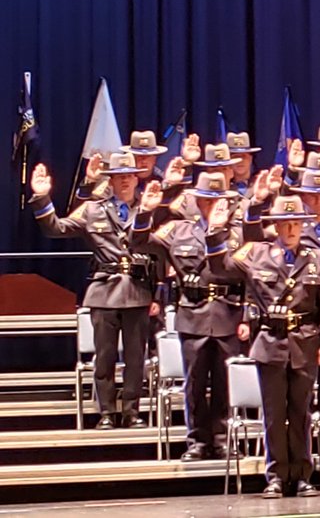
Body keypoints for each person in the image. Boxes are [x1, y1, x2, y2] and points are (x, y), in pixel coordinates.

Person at [206, 194, 320, 497]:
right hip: (270, 342)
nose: (291, 229)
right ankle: (276, 475)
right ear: (275, 226)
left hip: (304, 341)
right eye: (285, 224)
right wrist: (215, 232)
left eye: (296, 224)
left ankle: (302, 475)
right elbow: (219, 267)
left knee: (301, 412)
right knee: (275, 413)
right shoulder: (256, 253)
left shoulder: (315, 258)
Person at [29, 154, 154, 430]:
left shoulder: (148, 209)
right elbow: (56, 228)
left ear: (136, 178)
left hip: (137, 290)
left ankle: (132, 411)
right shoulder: (92, 210)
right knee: (105, 355)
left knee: (135, 357)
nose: (125, 179)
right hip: (104, 290)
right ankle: (107, 411)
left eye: (129, 174)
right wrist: (42, 198)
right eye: (119, 175)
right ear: (109, 179)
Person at [132, 172, 249, 459]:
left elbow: (251, 279)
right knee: (194, 382)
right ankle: (197, 440)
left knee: (224, 380)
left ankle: (221, 438)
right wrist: (145, 211)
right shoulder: (178, 230)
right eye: (207, 200)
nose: (213, 206)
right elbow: (139, 243)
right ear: (196, 200)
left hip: (227, 312)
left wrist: (247, 316)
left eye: (219, 200)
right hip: (193, 314)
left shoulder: (238, 233)